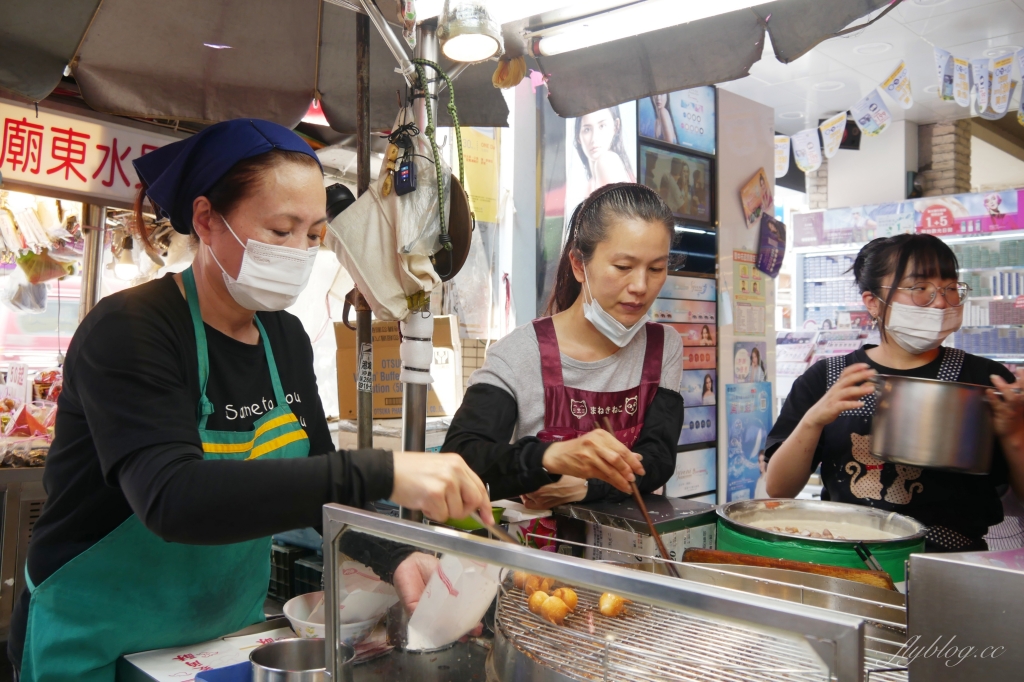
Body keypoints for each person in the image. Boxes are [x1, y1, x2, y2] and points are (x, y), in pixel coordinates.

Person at [9, 119, 492, 682]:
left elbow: (315, 489)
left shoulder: (282, 337)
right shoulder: (130, 330)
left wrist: (397, 555)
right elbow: (172, 497)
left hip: (219, 641)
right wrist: (381, 471)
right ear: (207, 221)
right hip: (98, 640)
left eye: (313, 235)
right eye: (281, 230)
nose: (299, 252)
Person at [765, 234, 1024, 552]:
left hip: (952, 565)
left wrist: (1015, 434)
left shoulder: (984, 378)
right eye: (920, 289)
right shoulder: (827, 378)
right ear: (873, 301)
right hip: (846, 557)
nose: (941, 302)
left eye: (950, 288)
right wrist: (813, 420)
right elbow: (778, 490)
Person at [443, 183, 685, 509]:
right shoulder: (520, 353)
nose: (641, 286)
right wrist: (550, 459)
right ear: (577, 264)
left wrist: (587, 486)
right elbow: (461, 456)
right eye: (624, 267)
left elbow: (657, 459)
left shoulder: (662, 348)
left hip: (627, 549)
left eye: (656, 269)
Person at [574, 106, 636, 195]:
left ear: (616, 126)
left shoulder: (607, 161)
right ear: (578, 137)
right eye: (587, 130)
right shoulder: (590, 184)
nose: (594, 138)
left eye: (602, 126)